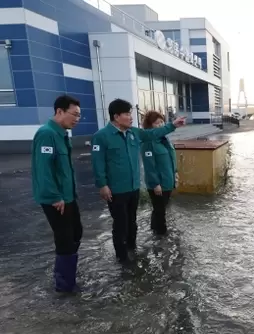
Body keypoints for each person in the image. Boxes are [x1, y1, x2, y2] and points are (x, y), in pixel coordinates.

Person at [90, 99, 186, 262]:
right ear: (116, 116)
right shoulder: (101, 137)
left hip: (133, 187)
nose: (131, 117)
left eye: (131, 114)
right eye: (127, 114)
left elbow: (152, 133)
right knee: (120, 224)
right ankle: (122, 258)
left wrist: (173, 125)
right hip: (116, 189)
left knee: (132, 221)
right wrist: (103, 185)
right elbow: (97, 163)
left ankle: (132, 250)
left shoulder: (134, 133)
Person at [31, 95, 82, 292]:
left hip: (67, 195)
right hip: (56, 198)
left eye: (79, 115)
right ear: (59, 111)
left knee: (76, 233)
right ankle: (64, 285)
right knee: (65, 239)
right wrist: (54, 197)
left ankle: (66, 272)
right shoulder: (46, 134)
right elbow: (44, 169)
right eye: (74, 114)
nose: (77, 119)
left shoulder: (61, 133)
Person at [140, 110, 178, 235]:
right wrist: (155, 183)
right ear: (150, 126)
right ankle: (161, 237)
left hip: (167, 181)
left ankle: (155, 233)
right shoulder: (148, 142)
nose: (161, 125)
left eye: (162, 122)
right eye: (157, 123)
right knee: (159, 211)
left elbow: (171, 158)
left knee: (159, 210)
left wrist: (175, 172)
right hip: (158, 184)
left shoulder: (164, 139)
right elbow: (149, 165)